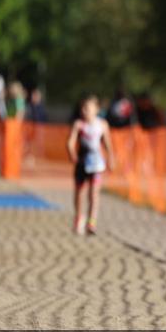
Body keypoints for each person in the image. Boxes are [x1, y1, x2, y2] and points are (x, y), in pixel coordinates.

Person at [67, 95, 116, 235]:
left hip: (96, 165)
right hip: (81, 164)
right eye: (82, 108)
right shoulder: (79, 124)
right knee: (79, 193)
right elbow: (70, 142)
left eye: (87, 108)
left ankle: (91, 222)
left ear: (96, 110)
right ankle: (78, 217)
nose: (84, 111)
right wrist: (71, 153)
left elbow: (107, 143)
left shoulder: (102, 125)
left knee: (94, 194)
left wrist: (111, 158)